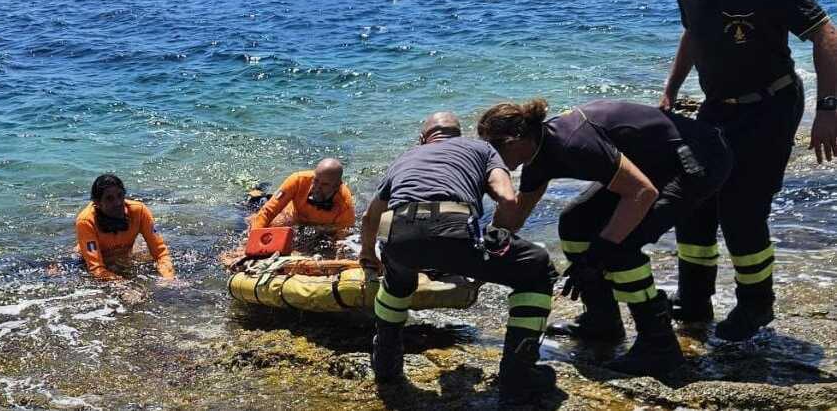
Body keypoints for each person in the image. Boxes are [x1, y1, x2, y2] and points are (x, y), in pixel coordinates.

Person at [645, 0, 837, 341]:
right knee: (693, 199)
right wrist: (671, 88)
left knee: (742, 208)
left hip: (770, 107)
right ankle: (694, 300)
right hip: (717, 108)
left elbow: (825, 35)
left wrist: (828, 110)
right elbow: (692, 35)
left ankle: (756, 305)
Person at [478, 98, 732, 376]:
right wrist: (479, 251)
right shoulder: (538, 154)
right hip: (651, 166)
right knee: (575, 222)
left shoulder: (574, 144)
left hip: (697, 159)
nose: (491, 161)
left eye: (493, 151)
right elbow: (514, 216)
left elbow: (642, 193)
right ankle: (603, 322)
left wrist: (600, 249)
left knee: (620, 246)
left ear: (515, 140)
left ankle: (659, 347)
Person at [359, 112, 558, 404]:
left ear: (423, 138)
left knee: (398, 282)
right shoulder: (482, 149)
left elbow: (370, 216)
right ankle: (519, 376)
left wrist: (367, 254)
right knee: (537, 266)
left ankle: (386, 364)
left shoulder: (406, 157)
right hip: (453, 227)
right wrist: (496, 240)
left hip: (398, 232)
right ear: (458, 133)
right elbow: (508, 198)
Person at [75, 174, 175, 281]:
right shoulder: (86, 221)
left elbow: (160, 253)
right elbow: (96, 269)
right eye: (109, 199)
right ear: (97, 203)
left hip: (123, 258)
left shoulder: (139, 211)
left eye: (120, 195)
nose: (118, 203)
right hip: (84, 261)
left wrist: (168, 279)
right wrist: (125, 285)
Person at [250, 158, 354, 230]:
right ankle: (259, 190)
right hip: (290, 215)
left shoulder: (345, 206)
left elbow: (342, 237)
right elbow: (268, 212)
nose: (317, 188)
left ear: (337, 186)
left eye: (324, 184)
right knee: (250, 216)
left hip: (320, 227)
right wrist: (251, 244)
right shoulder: (298, 180)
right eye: (316, 180)